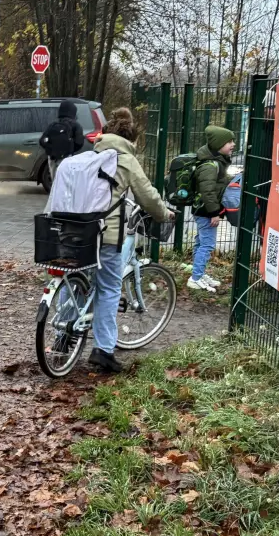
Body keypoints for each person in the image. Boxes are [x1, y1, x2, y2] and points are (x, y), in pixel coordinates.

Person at [87, 108, 174, 373]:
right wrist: (163, 213)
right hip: (106, 234)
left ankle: (63, 336)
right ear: (130, 138)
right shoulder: (125, 158)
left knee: (79, 281)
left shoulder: (91, 154)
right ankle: (104, 350)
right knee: (110, 289)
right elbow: (146, 194)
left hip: (76, 229)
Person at [188, 126, 235, 293]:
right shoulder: (210, 165)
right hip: (206, 211)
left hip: (202, 210)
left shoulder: (215, 161)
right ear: (218, 144)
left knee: (201, 243)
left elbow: (216, 184)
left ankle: (198, 273)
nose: (233, 144)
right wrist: (214, 213)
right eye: (229, 142)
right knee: (207, 245)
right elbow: (207, 191)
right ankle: (196, 278)